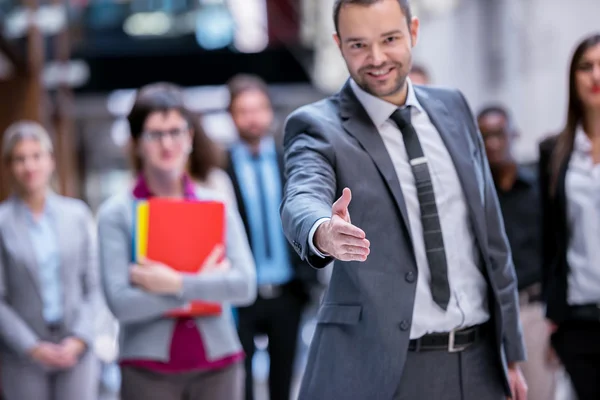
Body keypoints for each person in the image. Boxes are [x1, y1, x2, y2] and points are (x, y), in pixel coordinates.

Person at [279, 0, 528, 399]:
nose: (376, 58)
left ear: (412, 32)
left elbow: (491, 238)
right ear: (338, 44)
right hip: (387, 371)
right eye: (358, 45)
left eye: (389, 39)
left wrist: (511, 354)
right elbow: (302, 194)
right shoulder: (316, 127)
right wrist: (321, 230)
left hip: (482, 362)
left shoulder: (454, 107)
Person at [97, 82, 256, 400]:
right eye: (155, 134)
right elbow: (121, 304)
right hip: (146, 370)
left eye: (176, 131)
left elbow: (244, 286)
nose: (167, 143)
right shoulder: (117, 213)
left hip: (219, 363)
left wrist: (172, 283)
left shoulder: (216, 203)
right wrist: (203, 288)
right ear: (137, 142)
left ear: (190, 137)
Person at [224, 74, 316, 400]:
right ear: (231, 116)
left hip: (288, 292)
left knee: (284, 384)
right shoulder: (219, 169)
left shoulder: (291, 163)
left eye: (259, 108)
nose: (252, 117)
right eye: (243, 110)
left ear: (270, 113)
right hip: (240, 296)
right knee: (242, 386)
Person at [0, 121, 99, 400]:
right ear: (9, 166)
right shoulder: (2, 223)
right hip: (24, 354)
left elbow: (93, 285)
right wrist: (32, 346)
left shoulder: (76, 215)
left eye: (36, 156)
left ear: (51, 160)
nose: (29, 166)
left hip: (75, 347)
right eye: (20, 158)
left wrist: (80, 338)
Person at [478, 105, 555, 400]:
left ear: (513, 135)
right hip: (490, 316)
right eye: (485, 136)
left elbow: (556, 253)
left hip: (534, 312)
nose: (493, 143)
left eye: (499, 134)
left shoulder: (539, 189)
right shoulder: (478, 197)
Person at [539, 33, 600, 400]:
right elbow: (550, 237)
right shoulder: (555, 152)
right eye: (586, 66)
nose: (595, 75)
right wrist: (553, 315)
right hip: (578, 318)